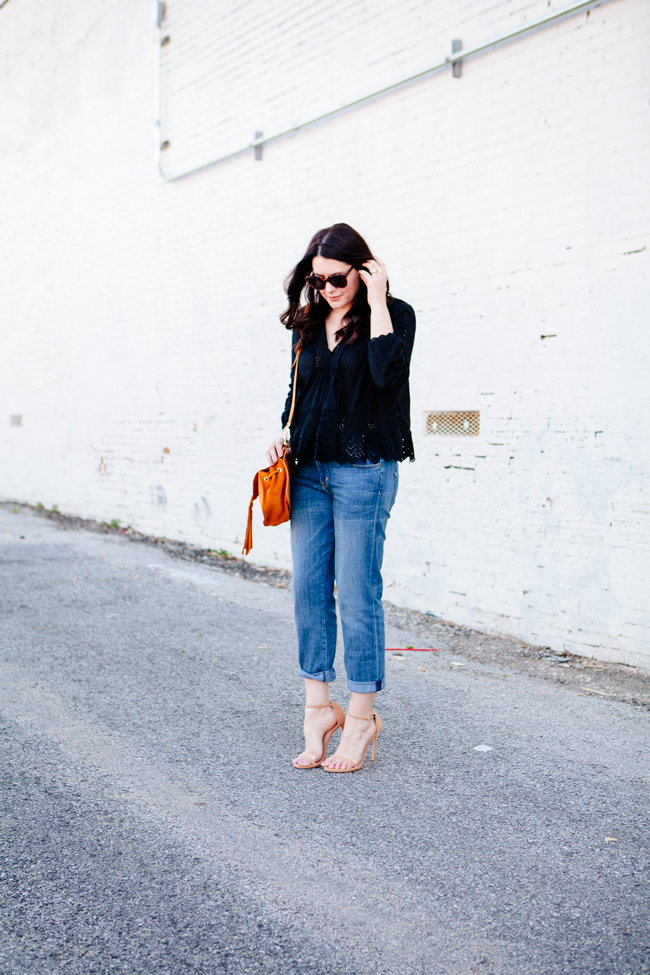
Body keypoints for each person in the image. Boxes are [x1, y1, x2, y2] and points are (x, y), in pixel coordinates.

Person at [266, 223, 416, 772]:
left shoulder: (396, 316)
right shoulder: (307, 323)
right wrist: (284, 430)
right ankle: (316, 710)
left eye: (336, 277)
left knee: (356, 593)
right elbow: (298, 391)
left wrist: (376, 299)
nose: (326, 288)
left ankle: (361, 718)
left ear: (363, 268)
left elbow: (386, 375)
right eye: (317, 278)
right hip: (307, 470)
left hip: (364, 473)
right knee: (308, 590)